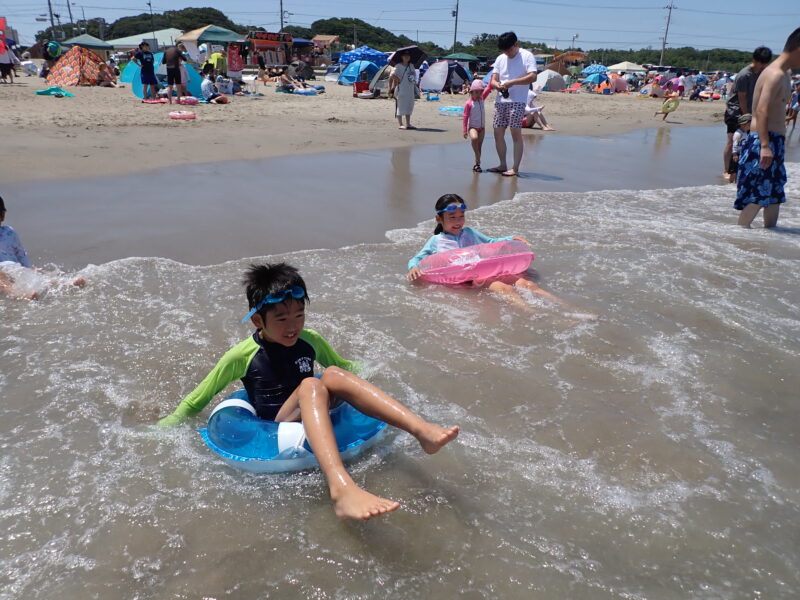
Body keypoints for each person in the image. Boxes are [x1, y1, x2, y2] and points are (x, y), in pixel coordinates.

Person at [158, 262, 459, 521]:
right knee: (312, 384)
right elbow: (198, 398)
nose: (293, 327)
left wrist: (375, 365)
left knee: (330, 374)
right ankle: (341, 488)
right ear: (257, 320)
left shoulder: (311, 340)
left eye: (299, 316)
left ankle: (421, 431)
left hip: (318, 406)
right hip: (280, 423)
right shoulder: (241, 356)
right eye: (282, 319)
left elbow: (343, 367)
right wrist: (161, 430)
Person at [407, 194, 567, 309]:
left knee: (528, 284)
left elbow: (491, 242)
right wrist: (413, 267)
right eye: (452, 217)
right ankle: (533, 315)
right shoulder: (436, 241)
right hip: (469, 277)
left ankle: (568, 308)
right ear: (438, 219)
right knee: (506, 289)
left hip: (486, 268)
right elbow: (418, 258)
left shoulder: (469, 232)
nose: (458, 222)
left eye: (461, 216)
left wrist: (512, 238)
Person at [735, 29, 800, 228]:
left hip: (774, 140)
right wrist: (765, 145)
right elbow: (761, 110)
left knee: (774, 194)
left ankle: (769, 237)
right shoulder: (774, 74)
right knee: (757, 195)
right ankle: (739, 236)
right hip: (765, 140)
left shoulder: (785, 73)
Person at [0, 196, 85, 299]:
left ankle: (65, 283)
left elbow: (20, 253)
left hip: (14, 268)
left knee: (38, 274)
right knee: (2, 277)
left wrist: (28, 268)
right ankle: (20, 295)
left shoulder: (9, 232)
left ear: (2, 216)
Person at [487, 32, 537, 177]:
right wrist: (497, 85)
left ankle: (515, 168)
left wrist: (512, 82)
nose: (507, 53)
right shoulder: (500, 58)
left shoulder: (527, 56)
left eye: (509, 49)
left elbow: (533, 76)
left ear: (516, 44)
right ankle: (502, 164)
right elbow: (494, 78)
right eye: (504, 50)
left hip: (518, 100)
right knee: (498, 133)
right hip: (501, 100)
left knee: (516, 133)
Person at [723, 46, 773, 180]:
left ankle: (742, 170)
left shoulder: (761, 73)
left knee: (748, 142)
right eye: (762, 63)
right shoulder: (744, 74)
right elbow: (742, 98)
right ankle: (727, 170)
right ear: (755, 60)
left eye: (765, 63)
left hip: (750, 111)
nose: (763, 66)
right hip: (735, 111)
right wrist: (747, 118)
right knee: (732, 141)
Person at [462, 79, 492, 172]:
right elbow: (465, 116)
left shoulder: (482, 99)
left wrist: (492, 78)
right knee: (474, 139)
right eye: (476, 92)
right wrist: (465, 130)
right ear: (471, 92)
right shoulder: (469, 103)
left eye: (480, 92)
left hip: (482, 128)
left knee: (479, 146)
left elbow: (489, 87)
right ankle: (478, 157)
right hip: (473, 127)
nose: (479, 94)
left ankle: (477, 164)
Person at [388, 51, 417, 130]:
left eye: (408, 56)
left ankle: (408, 124)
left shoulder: (411, 65)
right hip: (401, 88)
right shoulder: (398, 65)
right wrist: (398, 79)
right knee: (401, 105)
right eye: (405, 56)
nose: (407, 57)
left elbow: (414, 74)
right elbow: (391, 75)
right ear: (402, 57)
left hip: (410, 88)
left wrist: (413, 75)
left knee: (409, 105)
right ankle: (400, 124)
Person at [727, 113, 752, 183]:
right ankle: (730, 183)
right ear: (744, 124)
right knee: (733, 171)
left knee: (740, 170)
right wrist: (734, 154)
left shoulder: (746, 133)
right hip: (736, 154)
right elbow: (734, 145)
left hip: (743, 154)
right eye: (749, 125)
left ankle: (737, 183)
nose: (751, 126)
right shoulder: (738, 134)